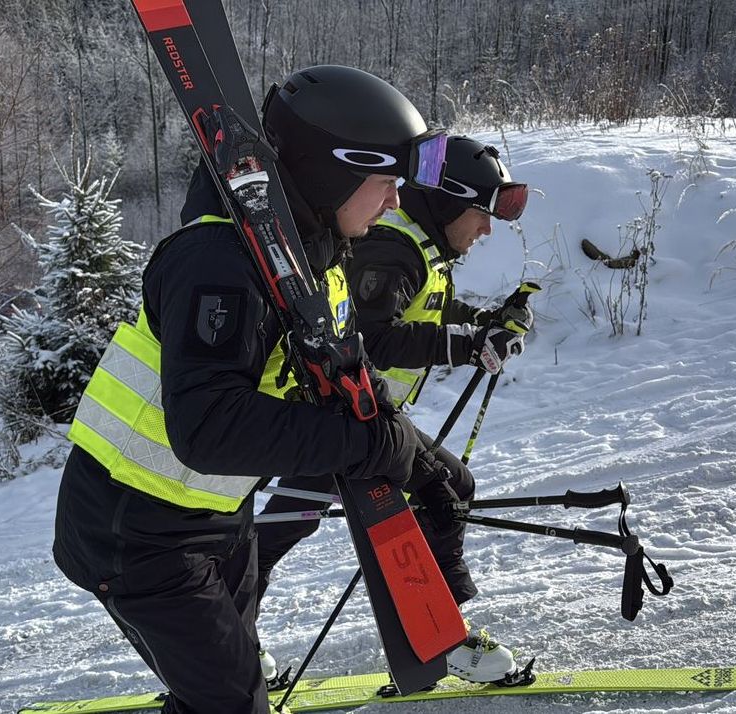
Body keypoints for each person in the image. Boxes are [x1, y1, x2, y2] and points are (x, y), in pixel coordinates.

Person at [52, 65, 450, 714]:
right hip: (135, 531)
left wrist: (415, 458)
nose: (396, 203)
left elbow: (346, 365)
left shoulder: (313, 261)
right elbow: (209, 428)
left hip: (214, 518)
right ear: (333, 172)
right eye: (386, 183)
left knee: (232, 693)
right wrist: (358, 443)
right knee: (233, 704)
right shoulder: (219, 262)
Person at [255, 136, 531, 684]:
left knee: (291, 524)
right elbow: (376, 337)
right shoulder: (391, 246)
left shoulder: (420, 248)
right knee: (289, 525)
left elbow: (426, 306)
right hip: (337, 418)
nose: (485, 230)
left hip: (360, 417)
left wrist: (486, 322)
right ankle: (442, 639)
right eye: (481, 214)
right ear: (451, 201)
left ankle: (439, 634)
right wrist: (465, 344)